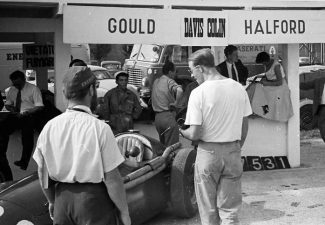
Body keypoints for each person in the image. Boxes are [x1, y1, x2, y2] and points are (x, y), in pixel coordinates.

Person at [33, 66, 131, 225]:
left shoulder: (49, 127)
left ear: (65, 93)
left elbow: (42, 173)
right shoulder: (99, 128)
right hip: (93, 204)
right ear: (91, 90)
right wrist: (124, 212)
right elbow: (112, 179)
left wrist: (52, 201)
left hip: (62, 203)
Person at [179, 49, 252, 225]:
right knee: (230, 210)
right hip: (233, 151)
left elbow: (195, 133)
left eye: (192, 70)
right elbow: (244, 126)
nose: (192, 75)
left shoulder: (198, 92)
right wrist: (235, 147)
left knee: (209, 211)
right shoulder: (238, 88)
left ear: (200, 68)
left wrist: (182, 131)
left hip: (208, 153)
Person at [0, 70, 43, 175]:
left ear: (23, 80)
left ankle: (24, 161)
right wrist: (11, 108)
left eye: (18, 84)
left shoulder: (33, 89)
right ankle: (2, 154)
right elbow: (8, 104)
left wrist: (26, 112)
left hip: (30, 114)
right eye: (14, 84)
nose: (16, 86)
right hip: (16, 114)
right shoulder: (12, 90)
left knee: (26, 135)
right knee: (3, 129)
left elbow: (39, 106)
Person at [246, 52, 293, 122]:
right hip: (271, 85)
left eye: (263, 63)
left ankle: (265, 112)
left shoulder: (276, 66)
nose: (263, 65)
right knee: (254, 87)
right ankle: (256, 110)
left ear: (266, 61)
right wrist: (259, 80)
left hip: (279, 88)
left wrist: (267, 83)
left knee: (260, 92)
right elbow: (269, 77)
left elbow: (280, 82)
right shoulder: (267, 64)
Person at [151, 60, 183, 147]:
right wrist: (176, 103)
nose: (175, 74)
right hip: (167, 117)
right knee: (171, 150)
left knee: (163, 147)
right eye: (174, 72)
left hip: (157, 119)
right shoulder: (169, 81)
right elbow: (180, 90)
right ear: (170, 72)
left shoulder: (156, 81)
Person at [300, 77, 325, 142]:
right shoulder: (319, 81)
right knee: (322, 127)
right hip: (321, 108)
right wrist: (294, 82)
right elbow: (305, 86)